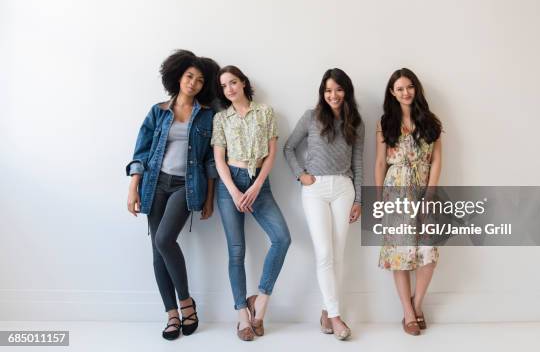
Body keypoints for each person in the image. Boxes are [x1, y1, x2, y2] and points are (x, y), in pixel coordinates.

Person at [125, 50, 219, 340]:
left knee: (164, 239)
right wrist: (133, 187)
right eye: (189, 76)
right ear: (178, 77)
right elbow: (141, 151)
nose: (193, 83)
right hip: (155, 183)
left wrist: (209, 197)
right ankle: (172, 315)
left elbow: (210, 161)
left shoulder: (207, 116)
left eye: (200, 80)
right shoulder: (158, 111)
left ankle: (187, 302)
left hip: (186, 186)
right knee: (157, 250)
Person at [211, 65, 291, 341]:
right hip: (229, 183)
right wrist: (233, 191)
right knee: (236, 251)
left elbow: (271, 154)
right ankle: (242, 317)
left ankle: (260, 303)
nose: (229, 89)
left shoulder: (265, 112)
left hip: (260, 182)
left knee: (282, 238)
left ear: (243, 83)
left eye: (233, 82)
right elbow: (219, 159)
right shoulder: (221, 118)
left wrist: (256, 185)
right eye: (223, 86)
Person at [284, 68, 363, 341]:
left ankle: (325, 311)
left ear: (346, 91)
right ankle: (337, 317)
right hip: (315, 189)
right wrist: (300, 175)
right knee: (324, 254)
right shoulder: (311, 117)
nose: (334, 95)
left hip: (344, 188)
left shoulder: (355, 122)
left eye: (339, 89)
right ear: (322, 92)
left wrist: (360, 199)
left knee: (338, 256)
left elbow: (358, 162)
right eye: (328, 90)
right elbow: (288, 148)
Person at [374, 68, 442, 336]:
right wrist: (379, 199)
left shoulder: (430, 121)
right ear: (392, 92)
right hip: (395, 191)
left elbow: (436, 159)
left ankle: (417, 304)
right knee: (399, 256)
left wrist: (430, 193)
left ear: (416, 88)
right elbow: (380, 163)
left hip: (423, 190)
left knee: (429, 255)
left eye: (409, 86)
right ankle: (408, 312)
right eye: (400, 88)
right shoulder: (386, 123)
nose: (406, 92)